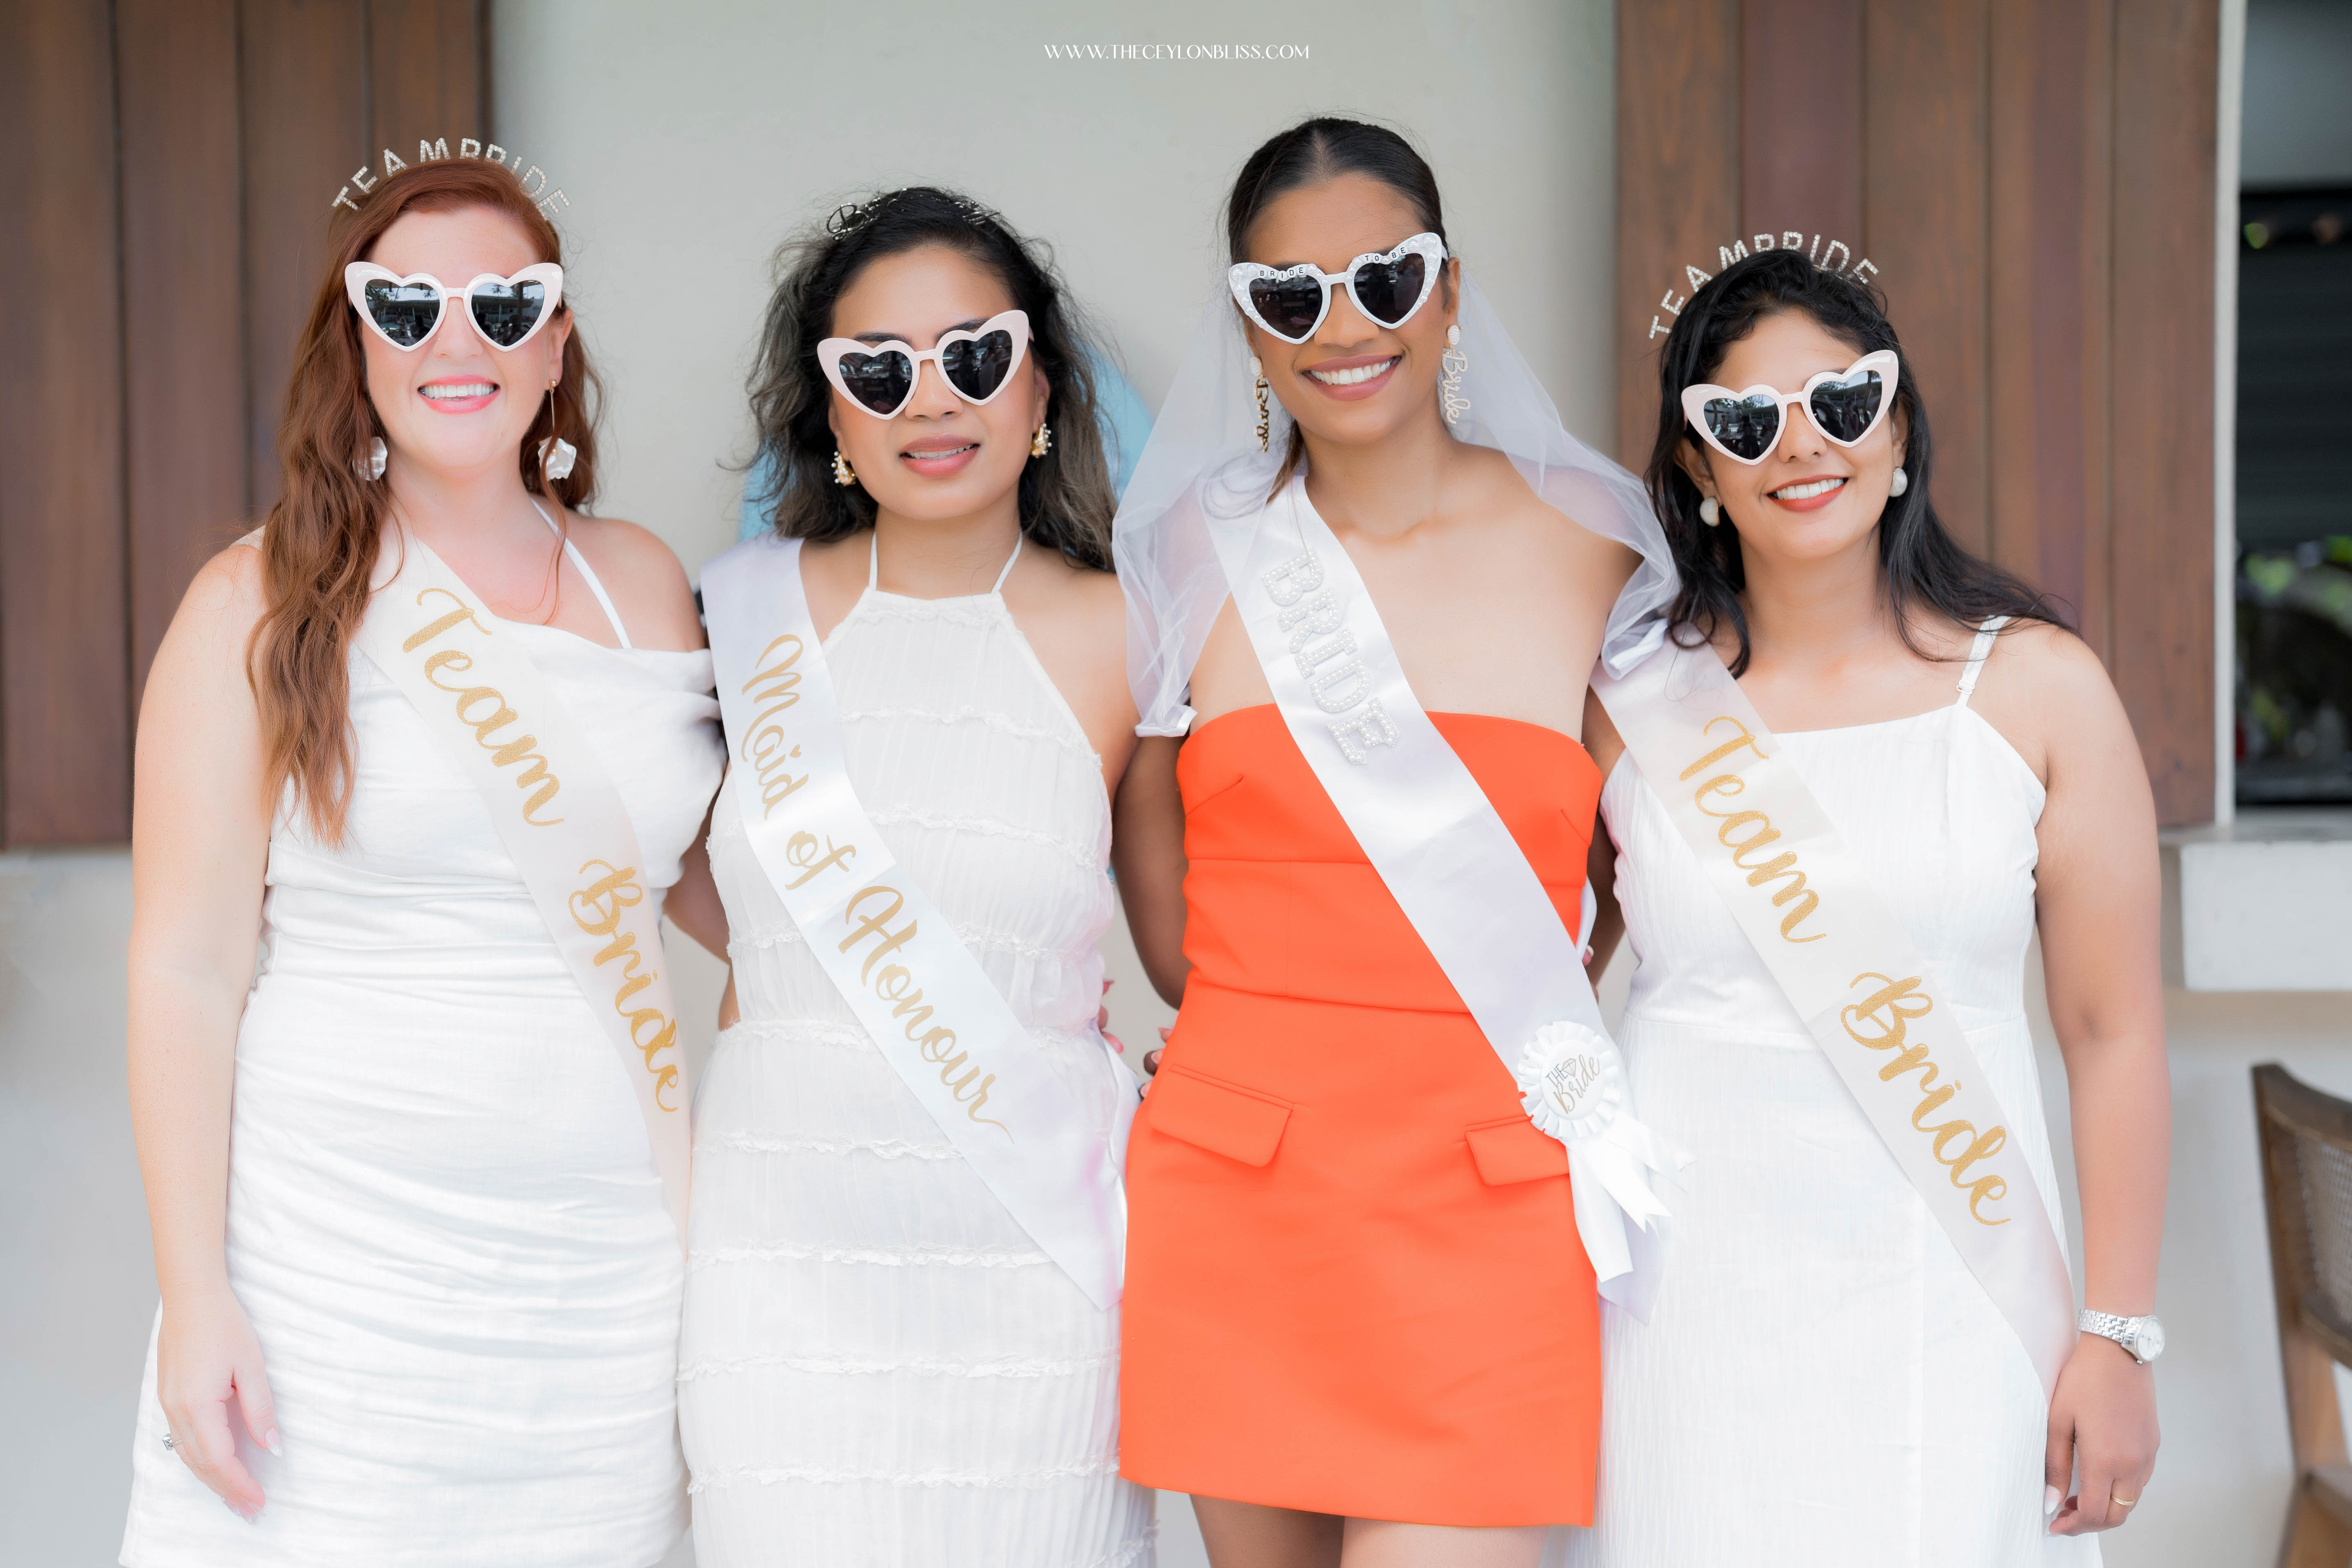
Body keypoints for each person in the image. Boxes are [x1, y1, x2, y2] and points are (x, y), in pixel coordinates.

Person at [121, 152, 725, 1565]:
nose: (460, 341)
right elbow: (186, 971)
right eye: (408, 308)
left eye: (505, 305)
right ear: (356, 340)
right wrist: (196, 1297)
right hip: (334, 1276)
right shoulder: (256, 601)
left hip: (604, 1288)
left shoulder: (644, 584)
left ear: (555, 342)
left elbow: (727, 890)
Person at [1112, 118, 1677, 1568]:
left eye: (1382, 278)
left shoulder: (1597, 542)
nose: (1341, 325)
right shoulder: (1186, 552)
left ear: (1447, 289)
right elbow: (1154, 872)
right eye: (1288, 295)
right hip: (1241, 1193)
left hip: (1490, 1198)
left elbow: (1633, 865)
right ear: (1247, 325)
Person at [1565, 245, 2167, 1566]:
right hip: (1687, 1301)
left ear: (1897, 433)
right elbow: (1539, 985)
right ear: (1696, 466)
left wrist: (2117, 1334)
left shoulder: (2039, 688)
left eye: (1841, 402)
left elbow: (2112, 1031)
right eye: (1744, 420)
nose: (1801, 445)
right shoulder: (1627, 707)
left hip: (1951, 1286)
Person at [679, 186, 1156, 1567]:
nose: (932, 399)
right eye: (879, 369)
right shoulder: (731, 614)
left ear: (1041, 386)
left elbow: (1200, 943)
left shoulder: (1133, 633)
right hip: (780, 1269)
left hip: (1037, 1270)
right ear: (829, 409)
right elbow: (659, 861)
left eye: (975, 356)